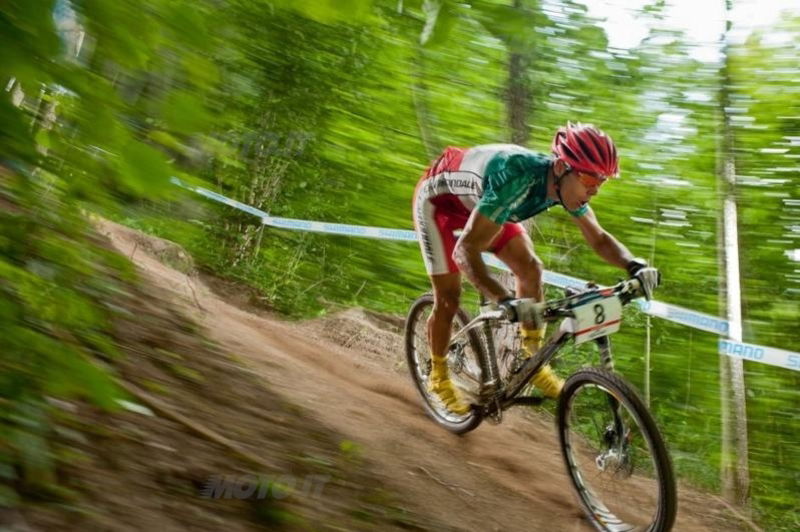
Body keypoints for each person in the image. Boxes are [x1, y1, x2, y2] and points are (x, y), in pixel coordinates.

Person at [412, 122, 659, 415]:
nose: (594, 191)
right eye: (588, 181)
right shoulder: (515, 177)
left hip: (485, 205)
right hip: (439, 206)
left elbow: (599, 237)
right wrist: (505, 300)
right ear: (561, 168)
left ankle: (530, 359)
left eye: (600, 183)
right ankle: (438, 377)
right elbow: (465, 252)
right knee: (449, 297)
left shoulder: (566, 188)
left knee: (531, 269)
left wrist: (634, 265)